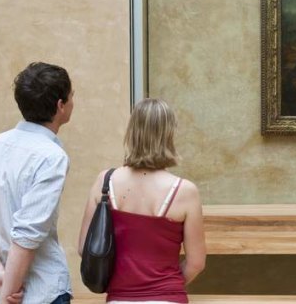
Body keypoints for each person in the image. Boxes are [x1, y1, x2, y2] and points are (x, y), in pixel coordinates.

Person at [0, 62, 75, 304]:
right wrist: (7, 294)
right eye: (72, 96)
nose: (73, 102)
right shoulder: (51, 157)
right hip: (39, 293)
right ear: (60, 106)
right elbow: (27, 235)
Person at [78, 98, 206, 304]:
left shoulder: (105, 182)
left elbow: (85, 248)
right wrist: (164, 285)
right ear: (169, 135)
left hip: (119, 298)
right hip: (167, 298)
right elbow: (196, 263)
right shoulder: (185, 191)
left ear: (132, 132)